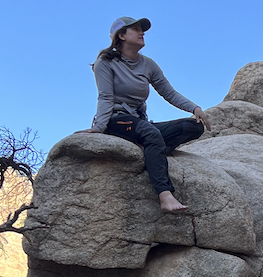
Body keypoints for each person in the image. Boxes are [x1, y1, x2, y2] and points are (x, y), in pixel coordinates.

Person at [78, 16, 211, 212]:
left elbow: (169, 92)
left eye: (143, 30)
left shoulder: (148, 64)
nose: (142, 33)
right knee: (151, 133)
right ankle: (165, 195)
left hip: (140, 123)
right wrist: (98, 128)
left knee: (193, 126)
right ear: (121, 36)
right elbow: (105, 97)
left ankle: (151, 149)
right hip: (117, 120)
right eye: (135, 30)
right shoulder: (105, 62)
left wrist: (195, 109)